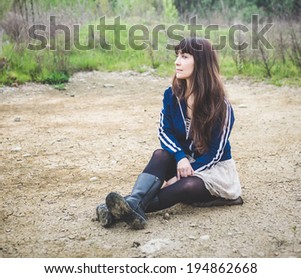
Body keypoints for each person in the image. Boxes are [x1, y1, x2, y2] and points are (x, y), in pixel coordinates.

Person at [96, 37, 243, 230]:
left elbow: (215, 154)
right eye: (177, 56)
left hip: (212, 170)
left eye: (184, 56)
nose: (177, 61)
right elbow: (164, 132)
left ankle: (118, 209)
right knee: (161, 154)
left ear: (200, 62)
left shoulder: (220, 106)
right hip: (184, 162)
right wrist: (180, 157)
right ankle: (132, 205)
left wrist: (180, 177)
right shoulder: (171, 95)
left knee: (186, 186)